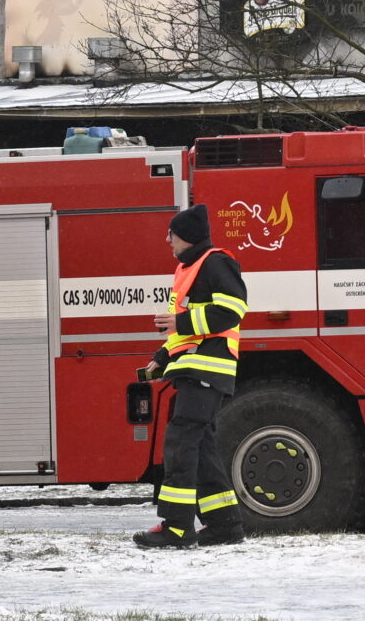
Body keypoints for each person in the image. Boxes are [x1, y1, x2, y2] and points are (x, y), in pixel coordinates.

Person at [136, 204, 249, 548]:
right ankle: (224, 525)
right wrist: (161, 356)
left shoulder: (215, 262)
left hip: (207, 370)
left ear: (184, 235)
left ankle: (177, 527)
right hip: (197, 369)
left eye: (170, 233)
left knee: (181, 444)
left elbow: (233, 311)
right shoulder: (190, 268)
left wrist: (180, 323)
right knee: (200, 449)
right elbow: (187, 330)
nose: (167, 240)